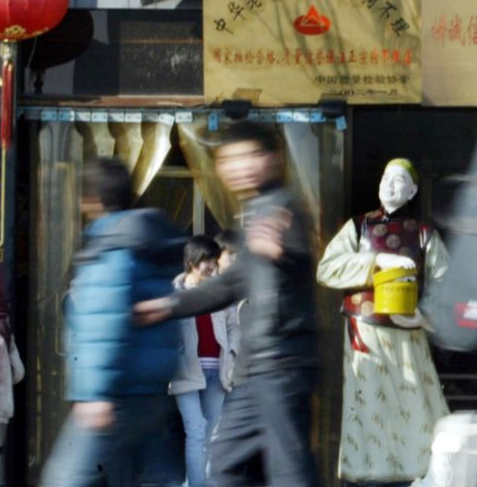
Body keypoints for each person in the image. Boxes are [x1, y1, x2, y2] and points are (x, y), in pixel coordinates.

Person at [135, 121, 322, 487]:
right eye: (230, 160)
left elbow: (297, 254)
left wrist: (281, 254)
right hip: (255, 369)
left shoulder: (284, 207)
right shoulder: (257, 212)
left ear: (272, 159)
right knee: (227, 467)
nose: (240, 167)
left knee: (289, 472)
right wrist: (168, 305)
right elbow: (230, 284)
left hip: (283, 363)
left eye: (250, 156)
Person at [40, 157, 185, 487]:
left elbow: (103, 324)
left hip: (117, 391)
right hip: (151, 391)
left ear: (89, 199)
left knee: (64, 478)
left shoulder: (112, 245)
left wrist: (95, 393)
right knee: (156, 477)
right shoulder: (148, 243)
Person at [318, 158, 450, 487]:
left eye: (399, 179)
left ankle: (418, 473)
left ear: (413, 191)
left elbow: (446, 281)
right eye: (385, 178)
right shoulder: (358, 227)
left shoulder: (424, 233)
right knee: (368, 404)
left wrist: (426, 314)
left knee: (414, 401)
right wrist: (375, 261)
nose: (389, 184)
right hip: (365, 330)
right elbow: (327, 268)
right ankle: (368, 474)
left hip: (408, 331)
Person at [170, 236, 239, 487]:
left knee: (210, 433)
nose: (211, 266)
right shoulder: (174, 292)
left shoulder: (220, 291)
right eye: (206, 261)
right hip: (186, 371)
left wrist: (232, 352)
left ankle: (198, 482)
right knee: (196, 430)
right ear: (191, 262)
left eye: (213, 260)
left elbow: (234, 326)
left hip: (217, 370)